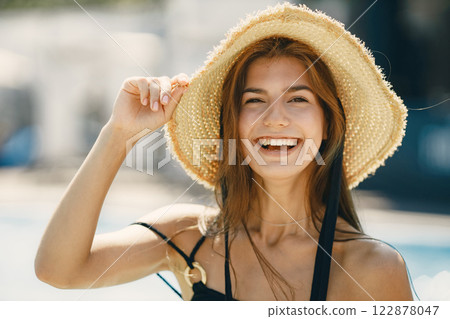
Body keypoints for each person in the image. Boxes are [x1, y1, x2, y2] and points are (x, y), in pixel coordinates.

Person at [35, 3, 414, 301]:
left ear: (329, 124)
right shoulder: (187, 238)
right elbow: (58, 270)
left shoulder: (372, 268)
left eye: (297, 98)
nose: (275, 118)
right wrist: (118, 133)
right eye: (255, 100)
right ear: (232, 126)